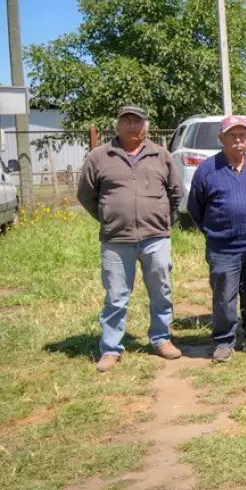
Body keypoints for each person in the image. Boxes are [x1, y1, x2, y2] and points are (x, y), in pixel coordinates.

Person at [77, 105, 184, 372]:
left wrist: (159, 217)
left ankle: (161, 338)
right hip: (116, 239)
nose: (132, 125)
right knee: (115, 295)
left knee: (161, 291)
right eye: (126, 121)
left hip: (156, 237)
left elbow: (176, 193)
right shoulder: (99, 156)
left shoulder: (162, 155)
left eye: (137, 121)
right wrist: (108, 217)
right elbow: (86, 195)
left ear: (145, 125)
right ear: (118, 125)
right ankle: (111, 348)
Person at [187, 116, 246, 362]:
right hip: (223, 246)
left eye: (242, 135)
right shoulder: (207, 169)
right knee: (224, 296)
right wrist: (216, 230)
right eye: (232, 136)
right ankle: (224, 341)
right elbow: (196, 207)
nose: (238, 140)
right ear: (221, 139)